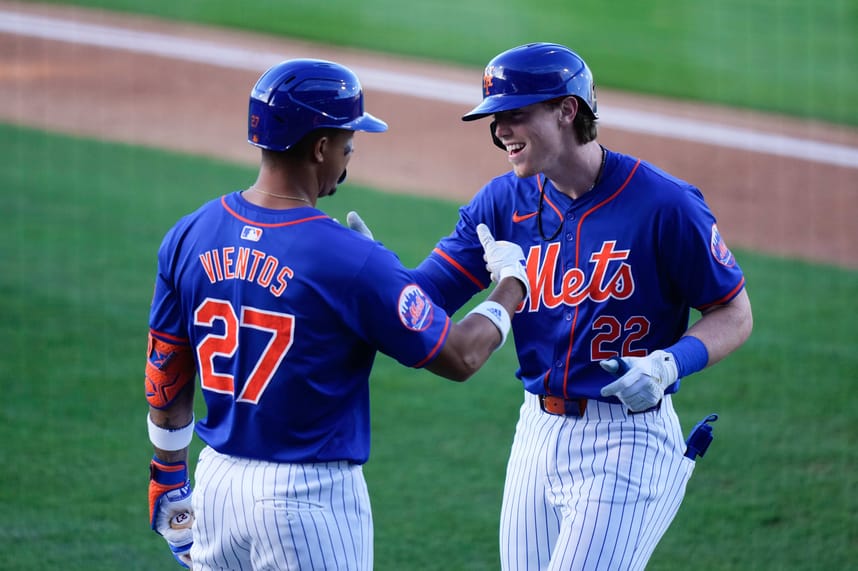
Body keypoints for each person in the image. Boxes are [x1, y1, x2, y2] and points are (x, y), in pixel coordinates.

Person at [354, 42, 753, 570]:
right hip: (536, 434)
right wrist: (371, 274)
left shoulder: (665, 205)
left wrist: (668, 363)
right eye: (495, 120)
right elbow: (428, 297)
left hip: (627, 440)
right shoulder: (500, 203)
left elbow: (734, 311)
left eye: (514, 115)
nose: (500, 132)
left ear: (568, 109)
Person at [143, 58, 529, 570]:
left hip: (217, 488)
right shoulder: (349, 258)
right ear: (320, 146)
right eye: (347, 141)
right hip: (307, 503)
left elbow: (166, 371)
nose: (349, 155)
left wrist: (167, 473)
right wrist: (511, 286)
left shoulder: (189, 234)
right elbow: (460, 356)